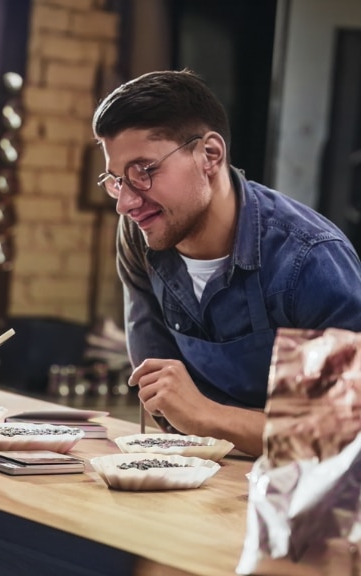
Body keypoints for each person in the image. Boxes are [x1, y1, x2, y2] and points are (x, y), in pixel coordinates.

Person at [91, 69, 361, 457]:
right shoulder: (141, 235)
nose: (126, 202)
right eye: (117, 179)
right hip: (206, 476)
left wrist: (206, 415)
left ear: (210, 155)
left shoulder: (309, 260)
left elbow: (339, 436)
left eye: (144, 172)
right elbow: (162, 399)